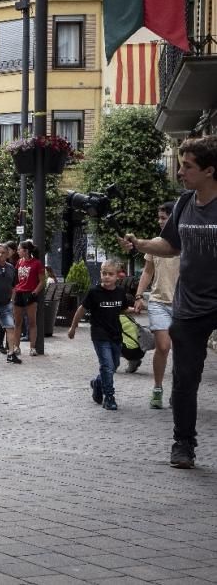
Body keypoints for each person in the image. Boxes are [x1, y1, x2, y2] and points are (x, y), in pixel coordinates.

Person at [120, 135, 217, 469]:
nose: (179, 171)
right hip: (190, 305)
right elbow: (171, 245)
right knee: (185, 378)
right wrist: (141, 243)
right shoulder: (185, 203)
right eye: (180, 164)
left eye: (187, 166)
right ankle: (183, 444)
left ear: (210, 170)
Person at [132, 202, 180, 407]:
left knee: (184, 350)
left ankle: (179, 390)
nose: (160, 221)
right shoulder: (155, 244)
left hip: (184, 303)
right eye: (159, 217)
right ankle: (158, 388)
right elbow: (148, 271)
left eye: (164, 218)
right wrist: (139, 295)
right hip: (159, 301)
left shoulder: (186, 242)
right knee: (163, 345)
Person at [67, 260, 130, 411]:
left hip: (115, 333)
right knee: (107, 366)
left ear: (117, 276)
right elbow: (81, 310)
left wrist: (134, 309)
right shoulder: (94, 292)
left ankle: (97, 383)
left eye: (110, 274)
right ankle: (109, 397)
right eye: (104, 273)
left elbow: (123, 309)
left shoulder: (120, 292)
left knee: (114, 365)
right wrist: (73, 327)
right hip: (99, 335)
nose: (107, 277)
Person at [12, 240, 44, 359]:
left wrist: (34, 292)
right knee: (17, 322)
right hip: (19, 294)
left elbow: (42, 281)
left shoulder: (36, 263)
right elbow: (15, 280)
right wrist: (14, 293)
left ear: (26, 250)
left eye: (20, 249)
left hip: (30, 294)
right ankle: (16, 347)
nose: (18, 251)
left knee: (32, 322)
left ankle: (32, 348)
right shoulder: (19, 262)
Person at [0, 241, 19, 353]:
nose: (6, 252)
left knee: (9, 323)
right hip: (2, 296)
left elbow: (15, 282)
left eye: (8, 250)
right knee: (2, 322)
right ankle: (0, 344)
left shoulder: (14, 263)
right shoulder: (2, 263)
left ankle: (8, 345)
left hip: (11, 295)